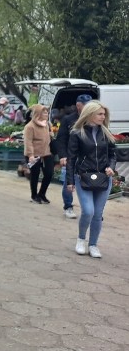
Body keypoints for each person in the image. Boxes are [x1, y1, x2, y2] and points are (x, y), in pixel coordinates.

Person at [66, 101, 117, 259]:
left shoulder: (106, 132)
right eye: (100, 114)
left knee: (97, 214)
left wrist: (111, 167)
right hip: (83, 178)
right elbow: (71, 159)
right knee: (88, 211)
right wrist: (70, 181)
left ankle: (93, 244)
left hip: (103, 178)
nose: (103, 117)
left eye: (104, 114)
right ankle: (81, 239)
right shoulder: (77, 133)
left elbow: (112, 155)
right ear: (90, 114)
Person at [54, 94, 91, 219]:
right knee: (68, 183)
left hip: (88, 158)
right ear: (78, 106)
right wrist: (63, 155)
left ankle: (91, 210)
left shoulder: (93, 119)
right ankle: (68, 206)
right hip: (71, 156)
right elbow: (61, 139)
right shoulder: (68, 119)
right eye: (86, 105)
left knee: (91, 183)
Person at [23, 104, 54, 205]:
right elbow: (28, 142)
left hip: (46, 153)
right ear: (38, 114)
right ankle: (34, 195)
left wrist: (51, 134)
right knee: (35, 175)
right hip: (33, 155)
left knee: (49, 173)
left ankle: (42, 194)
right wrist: (30, 155)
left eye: (47, 112)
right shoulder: (30, 127)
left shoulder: (47, 124)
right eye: (44, 112)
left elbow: (50, 137)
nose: (46, 114)